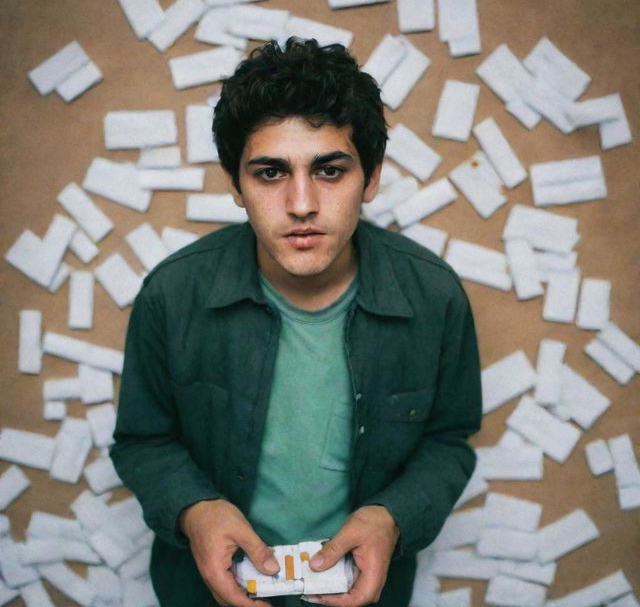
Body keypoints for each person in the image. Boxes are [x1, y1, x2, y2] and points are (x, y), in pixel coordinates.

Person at [111, 37, 482, 607]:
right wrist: (195, 511)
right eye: (270, 173)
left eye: (330, 171)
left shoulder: (433, 296)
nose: (302, 203)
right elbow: (143, 439)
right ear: (235, 184)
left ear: (372, 177)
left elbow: (448, 440)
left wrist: (392, 518)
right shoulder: (173, 294)